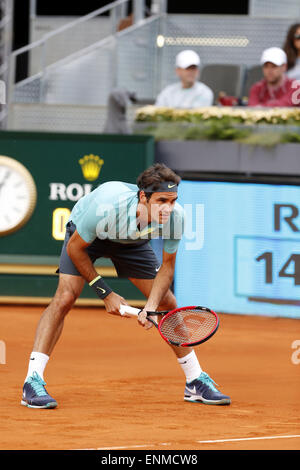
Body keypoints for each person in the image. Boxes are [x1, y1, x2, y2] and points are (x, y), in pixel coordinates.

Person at [21, 163, 230, 409]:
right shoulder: (107, 205)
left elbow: (168, 267)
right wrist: (105, 293)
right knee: (66, 296)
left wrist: (151, 306)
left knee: (167, 303)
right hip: (89, 237)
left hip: (133, 242)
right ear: (143, 196)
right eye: (162, 200)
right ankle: (32, 380)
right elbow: (75, 249)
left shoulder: (176, 217)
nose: (168, 208)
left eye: (173, 201)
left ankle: (195, 381)